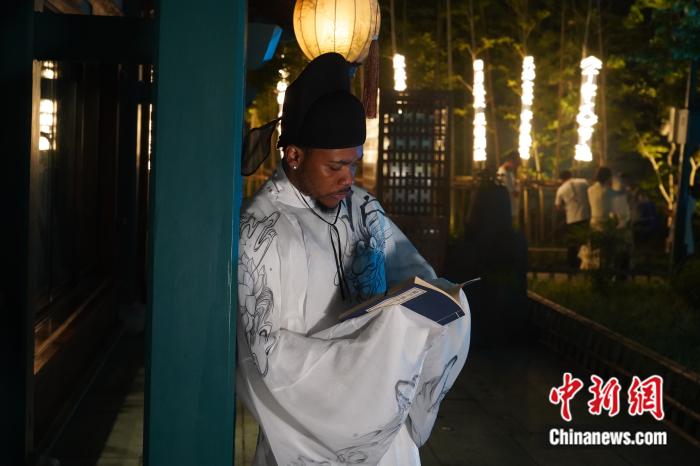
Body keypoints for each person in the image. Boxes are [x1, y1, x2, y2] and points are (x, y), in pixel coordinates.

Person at [237, 53, 471, 466]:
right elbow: (267, 356)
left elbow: (414, 272)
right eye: (335, 166)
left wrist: (436, 304)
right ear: (295, 156)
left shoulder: (362, 207)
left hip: (389, 429)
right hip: (312, 436)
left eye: (354, 163)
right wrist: (376, 353)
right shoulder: (262, 230)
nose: (349, 178)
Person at [554, 170, 590, 268]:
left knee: (572, 243)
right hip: (585, 216)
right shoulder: (583, 182)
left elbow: (557, 207)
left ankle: (572, 266)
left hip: (571, 219)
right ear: (571, 175)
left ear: (561, 179)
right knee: (584, 243)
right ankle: (585, 265)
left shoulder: (561, 189)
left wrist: (566, 209)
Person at [497, 150, 521, 226]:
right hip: (506, 211)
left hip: (512, 210)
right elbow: (513, 192)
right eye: (516, 163)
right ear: (511, 160)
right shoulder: (502, 173)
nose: (516, 166)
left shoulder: (510, 172)